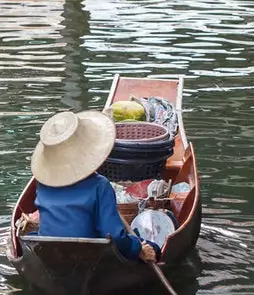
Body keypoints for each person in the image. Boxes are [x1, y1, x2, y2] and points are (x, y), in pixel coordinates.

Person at [22, 109, 158, 265]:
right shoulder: (100, 185)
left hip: (50, 254)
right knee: (151, 247)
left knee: (34, 234)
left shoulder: (43, 183)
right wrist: (138, 248)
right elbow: (115, 237)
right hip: (91, 258)